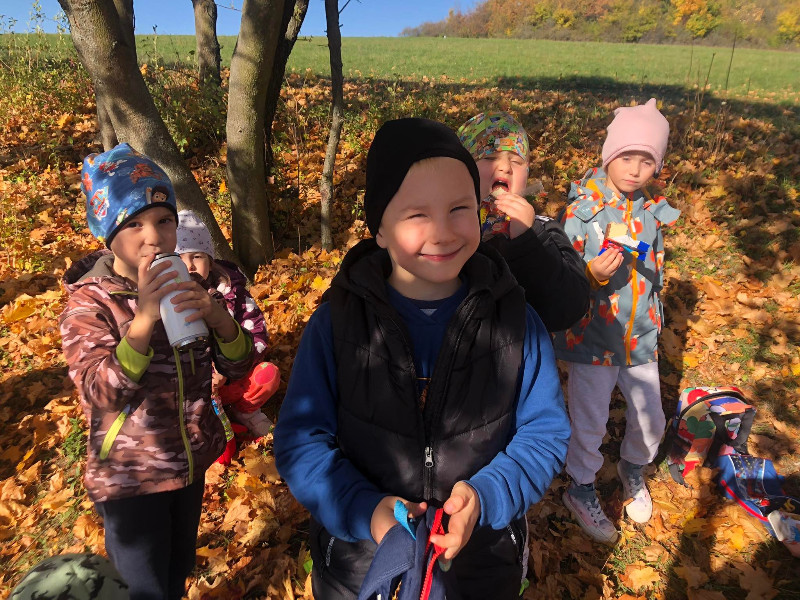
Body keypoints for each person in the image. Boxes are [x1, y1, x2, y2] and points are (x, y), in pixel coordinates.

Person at [273, 118, 570, 599]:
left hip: (482, 561)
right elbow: (300, 442)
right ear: (380, 230)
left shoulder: (516, 320)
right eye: (416, 215)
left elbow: (544, 433)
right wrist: (365, 511)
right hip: (359, 565)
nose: (443, 232)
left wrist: (486, 496)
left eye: (459, 208)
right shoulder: (338, 325)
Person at [59, 143, 255, 600]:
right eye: (134, 224)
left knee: (176, 569)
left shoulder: (190, 283)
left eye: (164, 220)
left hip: (190, 461)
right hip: (131, 477)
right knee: (143, 587)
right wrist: (144, 319)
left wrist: (219, 318)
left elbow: (238, 364)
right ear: (107, 233)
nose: (154, 237)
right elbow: (100, 393)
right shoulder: (91, 304)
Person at [551, 99, 681, 544]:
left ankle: (633, 466)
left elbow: (656, 269)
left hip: (639, 335)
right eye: (627, 158)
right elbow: (562, 274)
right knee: (590, 418)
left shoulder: (651, 209)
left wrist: (655, 312)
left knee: (651, 417)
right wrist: (591, 273)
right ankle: (581, 486)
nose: (635, 170)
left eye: (646, 161)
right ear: (609, 156)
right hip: (594, 335)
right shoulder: (583, 211)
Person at [457, 111, 589, 332]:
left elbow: (571, 308)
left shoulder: (544, 230)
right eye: (489, 158)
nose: (505, 167)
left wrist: (529, 239)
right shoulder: (449, 227)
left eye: (517, 161)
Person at [175, 210, 279, 456]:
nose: (189, 265)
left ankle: (246, 411)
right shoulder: (169, 301)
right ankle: (209, 426)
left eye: (197, 256)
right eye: (180, 258)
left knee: (268, 375)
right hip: (195, 391)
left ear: (210, 260)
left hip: (233, 379)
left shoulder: (232, 291)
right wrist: (206, 376)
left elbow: (256, 331)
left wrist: (227, 371)